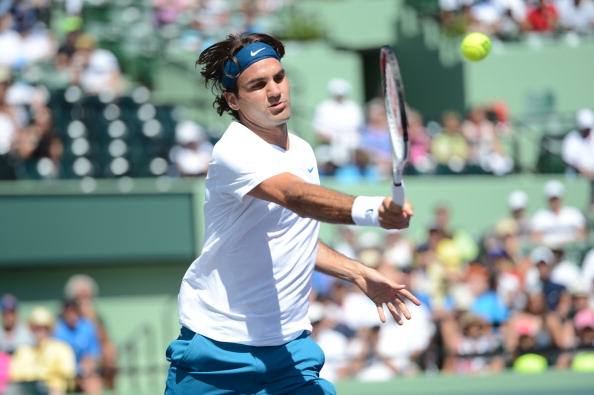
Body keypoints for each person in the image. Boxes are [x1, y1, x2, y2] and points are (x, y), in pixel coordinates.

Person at [164, 32, 419, 395]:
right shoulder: (233, 149)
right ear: (233, 100)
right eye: (257, 85)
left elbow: (292, 236)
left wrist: (357, 272)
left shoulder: (301, 151)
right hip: (217, 351)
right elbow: (294, 196)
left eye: (279, 78)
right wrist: (371, 210)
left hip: (290, 352)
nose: (274, 91)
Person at [9, 306, 76, 395]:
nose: (39, 332)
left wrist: (51, 386)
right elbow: (16, 377)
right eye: (35, 328)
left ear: (49, 329)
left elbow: (68, 376)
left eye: (43, 328)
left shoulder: (62, 349)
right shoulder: (22, 351)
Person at [312, 77, 363, 172]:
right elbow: (319, 133)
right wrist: (336, 140)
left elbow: (358, 129)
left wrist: (347, 142)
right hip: (329, 146)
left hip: (351, 145)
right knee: (324, 158)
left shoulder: (353, 107)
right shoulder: (323, 107)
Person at [53, 299, 102, 394]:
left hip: (82, 374)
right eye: (69, 311)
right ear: (63, 313)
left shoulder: (87, 327)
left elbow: (94, 354)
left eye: (74, 311)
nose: (72, 315)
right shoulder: (56, 330)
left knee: (93, 382)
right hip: (61, 375)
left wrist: (87, 365)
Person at [531, 180, 588, 249]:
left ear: (561, 197)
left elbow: (582, 234)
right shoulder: (540, 216)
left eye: (556, 198)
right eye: (552, 199)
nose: (554, 201)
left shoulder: (574, 213)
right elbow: (536, 238)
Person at [562, 108, 594, 212]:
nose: (586, 131)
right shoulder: (571, 138)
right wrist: (583, 171)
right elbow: (568, 161)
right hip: (577, 175)